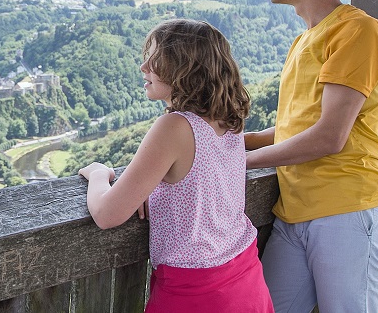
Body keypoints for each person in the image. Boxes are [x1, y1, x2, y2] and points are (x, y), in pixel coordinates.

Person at [243, 0, 378, 313]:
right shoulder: (305, 38)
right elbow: (293, 128)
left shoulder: (357, 31)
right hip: (296, 212)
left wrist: (236, 162)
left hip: (348, 210)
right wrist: (213, 142)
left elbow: (330, 136)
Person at [78, 18, 271, 312]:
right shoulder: (227, 119)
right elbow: (195, 178)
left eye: (154, 59)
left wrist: (98, 173)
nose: (144, 68)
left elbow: (107, 214)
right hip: (244, 280)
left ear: (182, 67)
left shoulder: (174, 127)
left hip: (197, 295)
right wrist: (147, 186)